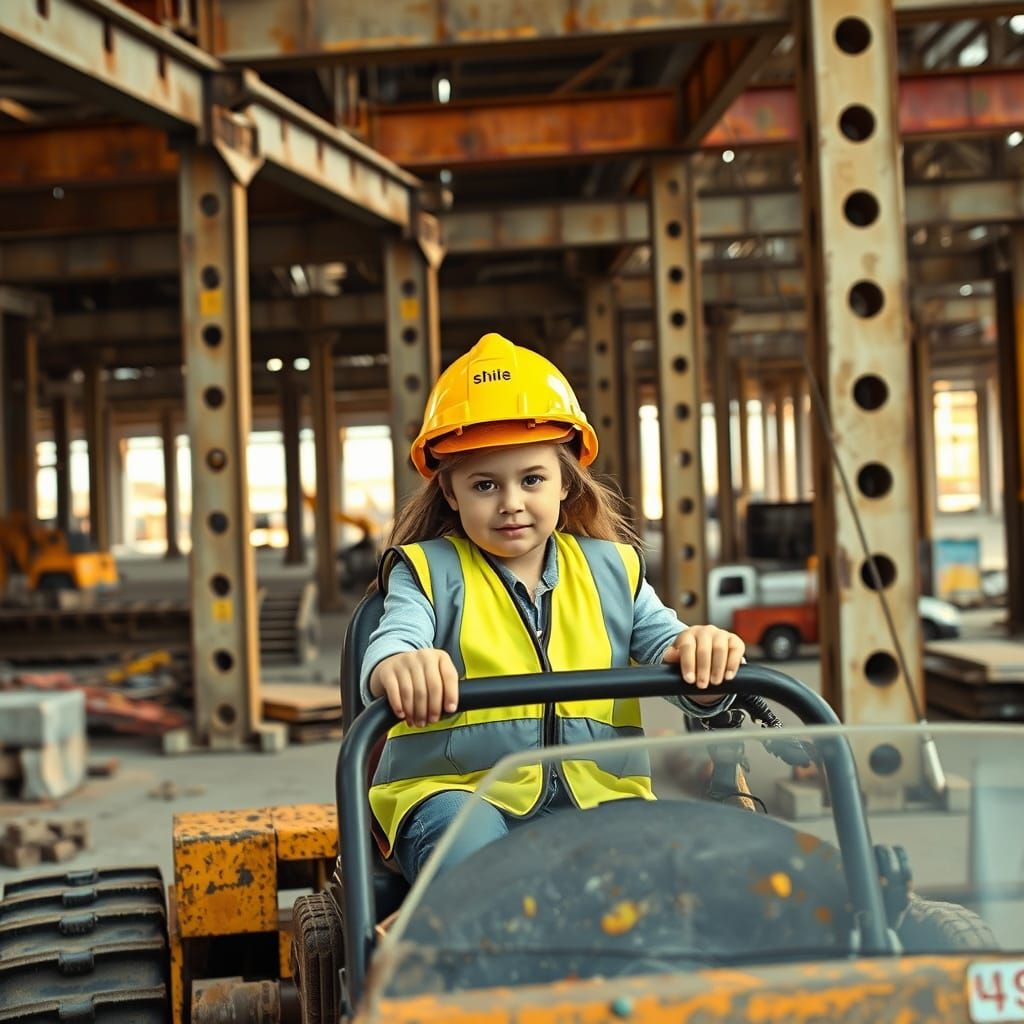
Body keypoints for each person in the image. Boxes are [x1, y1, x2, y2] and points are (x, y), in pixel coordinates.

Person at [360, 332, 745, 883]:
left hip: (601, 797)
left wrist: (701, 656)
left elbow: (671, 646)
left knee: (663, 881)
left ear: (565, 481)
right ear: (450, 492)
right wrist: (399, 665)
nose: (511, 502)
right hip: (459, 796)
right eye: (485, 484)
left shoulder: (613, 570)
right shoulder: (426, 572)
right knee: (476, 860)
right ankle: (471, 959)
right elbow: (396, 637)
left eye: (532, 479)